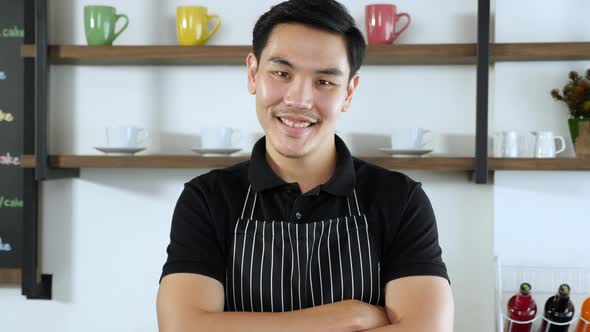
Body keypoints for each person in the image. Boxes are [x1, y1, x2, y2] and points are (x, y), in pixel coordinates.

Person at [157, 0, 454, 331]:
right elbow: (182, 327)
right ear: (253, 73)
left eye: (324, 82)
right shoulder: (207, 199)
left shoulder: (400, 200)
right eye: (282, 73)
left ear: (349, 92)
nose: (299, 100)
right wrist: (348, 317)